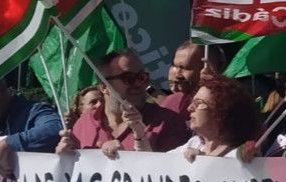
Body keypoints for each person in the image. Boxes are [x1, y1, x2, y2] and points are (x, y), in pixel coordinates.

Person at [58, 50, 190, 156]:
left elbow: (170, 176)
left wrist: (125, 160)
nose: (138, 84)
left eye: (142, 77)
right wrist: (64, 156)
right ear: (104, 87)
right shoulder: (84, 122)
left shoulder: (168, 122)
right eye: (129, 78)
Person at [176, 77, 261, 160]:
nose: (189, 108)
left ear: (222, 111)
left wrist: (202, 162)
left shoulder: (242, 155)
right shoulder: (193, 143)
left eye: (198, 103)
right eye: (192, 102)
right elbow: (163, 161)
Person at [159, 42, 224, 117]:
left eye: (184, 67)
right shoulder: (172, 105)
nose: (177, 74)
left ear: (208, 67)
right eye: (175, 66)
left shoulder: (228, 104)